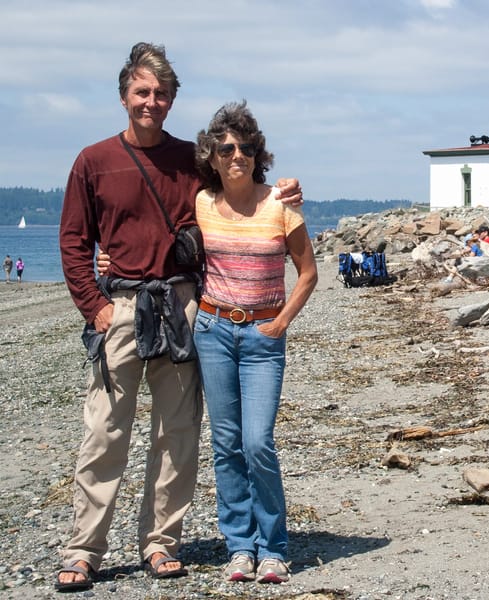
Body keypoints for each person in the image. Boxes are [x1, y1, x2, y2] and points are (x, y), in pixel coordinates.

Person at [55, 43, 303, 592]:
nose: (151, 102)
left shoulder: (191, 159)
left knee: (178, 433)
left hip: (183, 306)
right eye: (142, 92)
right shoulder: (92, 161)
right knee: (104, 433)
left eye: (161, 93)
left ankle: (160, 543)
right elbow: (74, 241)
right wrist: (92, 306)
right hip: (118, 307)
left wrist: (286, 189)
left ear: (172, 100)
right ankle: (84, 549)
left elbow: (240, 190)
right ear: (125, 96)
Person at [191, 101, 317, 584]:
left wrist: (280, 322)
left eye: (245, 147)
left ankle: (274, 548)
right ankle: (240, 546)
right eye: (226, 148)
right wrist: (107, 265)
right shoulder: (202, 202)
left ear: (257, 153)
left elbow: (308, 273)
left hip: (263, 335)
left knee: (257, 441)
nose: (236, 154)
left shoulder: (281, 204)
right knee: (225, 443)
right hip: (213, 331)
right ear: (213, 155)